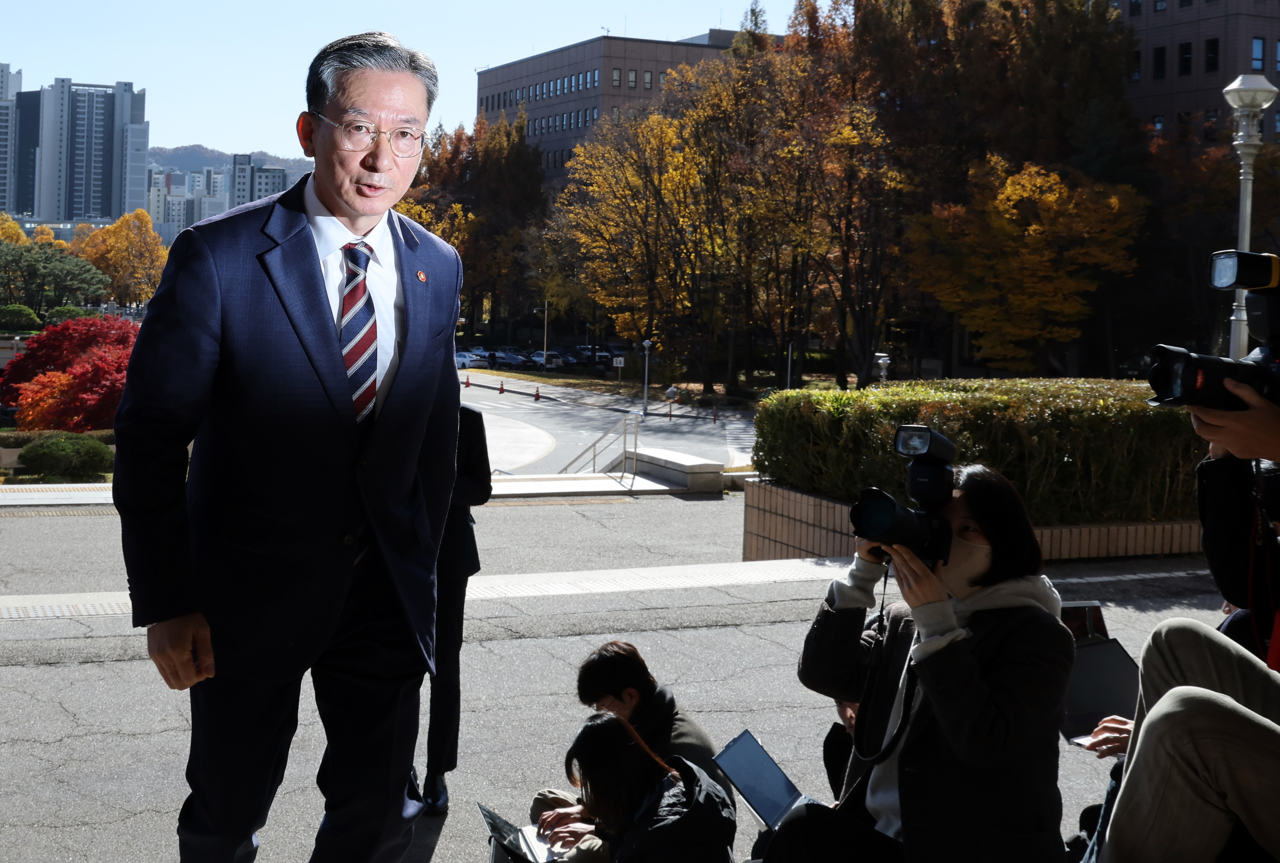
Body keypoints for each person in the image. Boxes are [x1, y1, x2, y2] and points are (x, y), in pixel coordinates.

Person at [113, 32, 461, 862]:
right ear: (309, 132)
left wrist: (425, 569)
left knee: (375, 815)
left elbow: (436, 438)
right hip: (243, 603)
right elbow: (152, 437)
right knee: (227, 815)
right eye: (359, 128)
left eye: (407, 133)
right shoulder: (220, 258)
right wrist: (166, 599)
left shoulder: (437, 266)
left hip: (385, 600)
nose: (383, 156)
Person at [768, 465, 1075, 863]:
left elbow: (983, 743)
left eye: (968, 530)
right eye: (940, 528)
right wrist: (863, 573)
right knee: (788, 830)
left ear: (1006, 542)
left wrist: (936, 625)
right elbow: (825, 674)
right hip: (886, 833)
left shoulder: (1037, 633)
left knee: (802, 831)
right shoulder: (904, 619)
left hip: (969, 848)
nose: (949, 542)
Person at [532, 641, 732, 860]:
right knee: (545, 803)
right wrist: (585, 810)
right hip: (632, 822)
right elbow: (629, 796)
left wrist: (593, 831)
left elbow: (662, 827)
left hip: (661, 845)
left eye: (602, 706)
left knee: (580, 855)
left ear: (630, 696)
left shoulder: (678, 749)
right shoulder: (643, 721)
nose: (599, 713)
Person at [420, 405, 492, 816]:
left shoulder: (468, 418)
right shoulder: (401, 408)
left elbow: (480, 488)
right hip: (401, 559)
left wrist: (434, 485)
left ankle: (437, 771)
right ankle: (397, 770)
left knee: (446, 669)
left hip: (449, 561)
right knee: (401, 670)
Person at [558, 712, 736, 863]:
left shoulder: (652, 846)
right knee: (545, 800)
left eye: (592, 784)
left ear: (608, 782)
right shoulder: (673, 779)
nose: (591, 790)